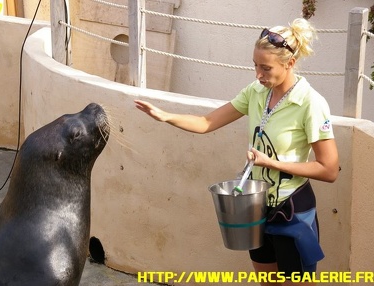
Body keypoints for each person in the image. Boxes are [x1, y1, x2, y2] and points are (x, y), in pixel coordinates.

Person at [134, 18, 339, 286]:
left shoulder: (310, 103)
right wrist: (165, 116)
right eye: (255, 65)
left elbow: (329, 169)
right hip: (256, 208)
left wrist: (272, 164)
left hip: (292, 211)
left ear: (289, 63)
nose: (258, 74)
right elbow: (207, 122)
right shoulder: (256, 92)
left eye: (265, 68)